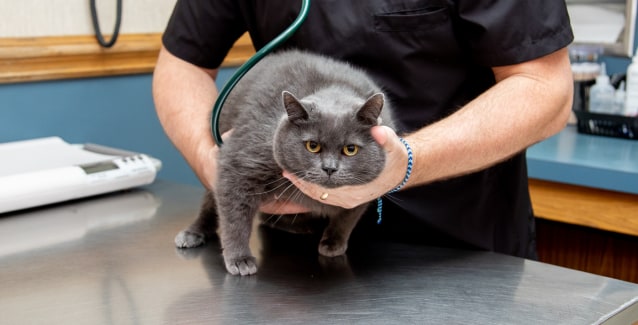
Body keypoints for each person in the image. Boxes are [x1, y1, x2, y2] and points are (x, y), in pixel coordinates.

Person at [152, 1, 574, 259]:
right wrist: (218, 168)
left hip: (458, 249)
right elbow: (182, 63)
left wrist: (405, 163)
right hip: (294, 261)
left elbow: (545, 89)